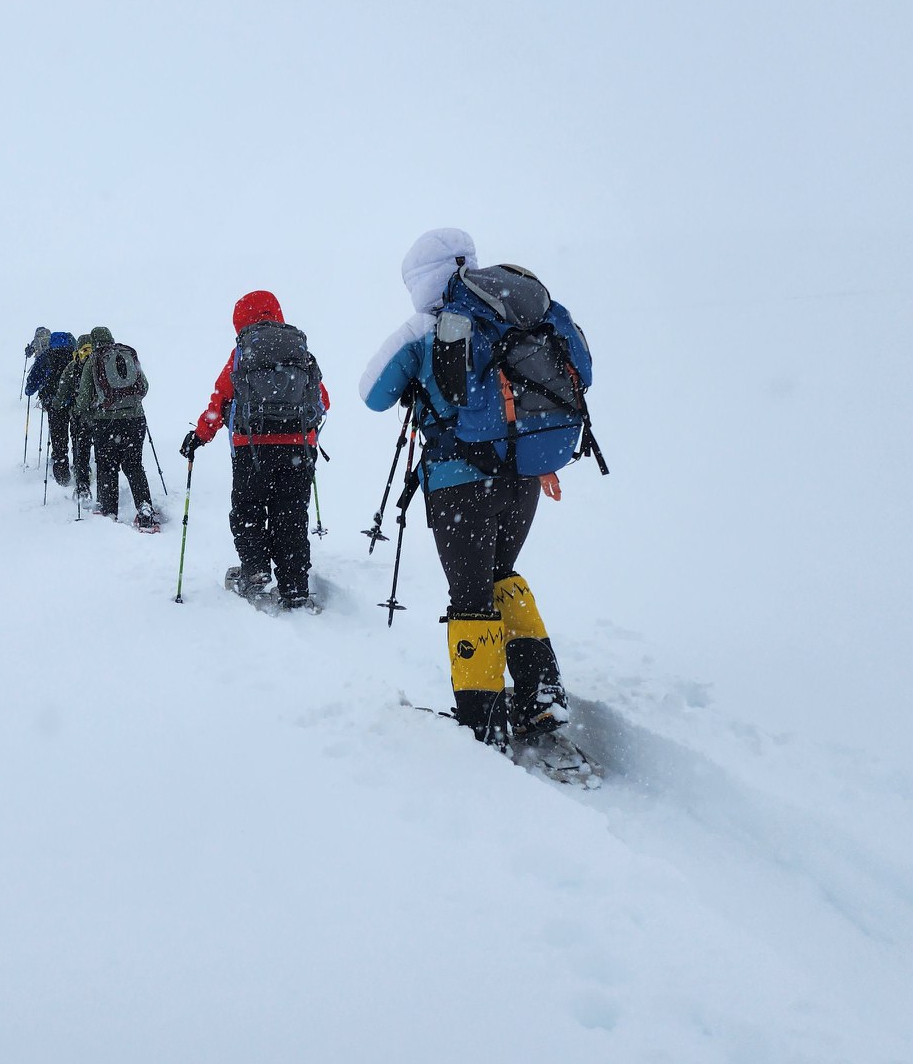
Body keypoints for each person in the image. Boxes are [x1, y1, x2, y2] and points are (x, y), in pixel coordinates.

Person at [358, 228, 594, 749]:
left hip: (458, 486)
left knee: (469, 598)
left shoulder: (426, 328)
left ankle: (482, 723)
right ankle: (541, 697)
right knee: (502, 576)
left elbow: (372, 395)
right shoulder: (521, 313)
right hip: (523, 474)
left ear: (420, 281)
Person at [181, 290, 329, 609]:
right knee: (290, 515)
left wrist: (200, 436)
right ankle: (294, 586)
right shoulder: (298, 349)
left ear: (241, 319)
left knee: (248, 511)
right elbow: (322, 400)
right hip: (298, 451)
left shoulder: (243, 352)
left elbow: (219, 401)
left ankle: (255, 572)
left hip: (252, 449)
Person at [72, 326, 157, 530]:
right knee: (134, 465)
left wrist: (85, 409)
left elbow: (83, 399)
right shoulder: (126, 354)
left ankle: (109, 513)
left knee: (107, 467)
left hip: (106, 422)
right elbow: (144, 387)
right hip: (135, 420)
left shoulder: (93, 360)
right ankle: (144, 508)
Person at [24, 331, 77, 484]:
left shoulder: (45, 357)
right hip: (74, 404)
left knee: (59, 436)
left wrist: (35, 389)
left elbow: (30, 387)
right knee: (77, 435)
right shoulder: (74, 356)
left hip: (53, 404)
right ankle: (81, 466)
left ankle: (61, 470)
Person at [51, 333, 97, 499]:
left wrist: (57, 407)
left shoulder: (73, 366)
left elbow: (62, 392)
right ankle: (104, 483)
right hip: (103, 416)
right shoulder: (102, 363)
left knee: (80, 446)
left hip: (81, 415)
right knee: (102, 449)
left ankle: (82, 482)